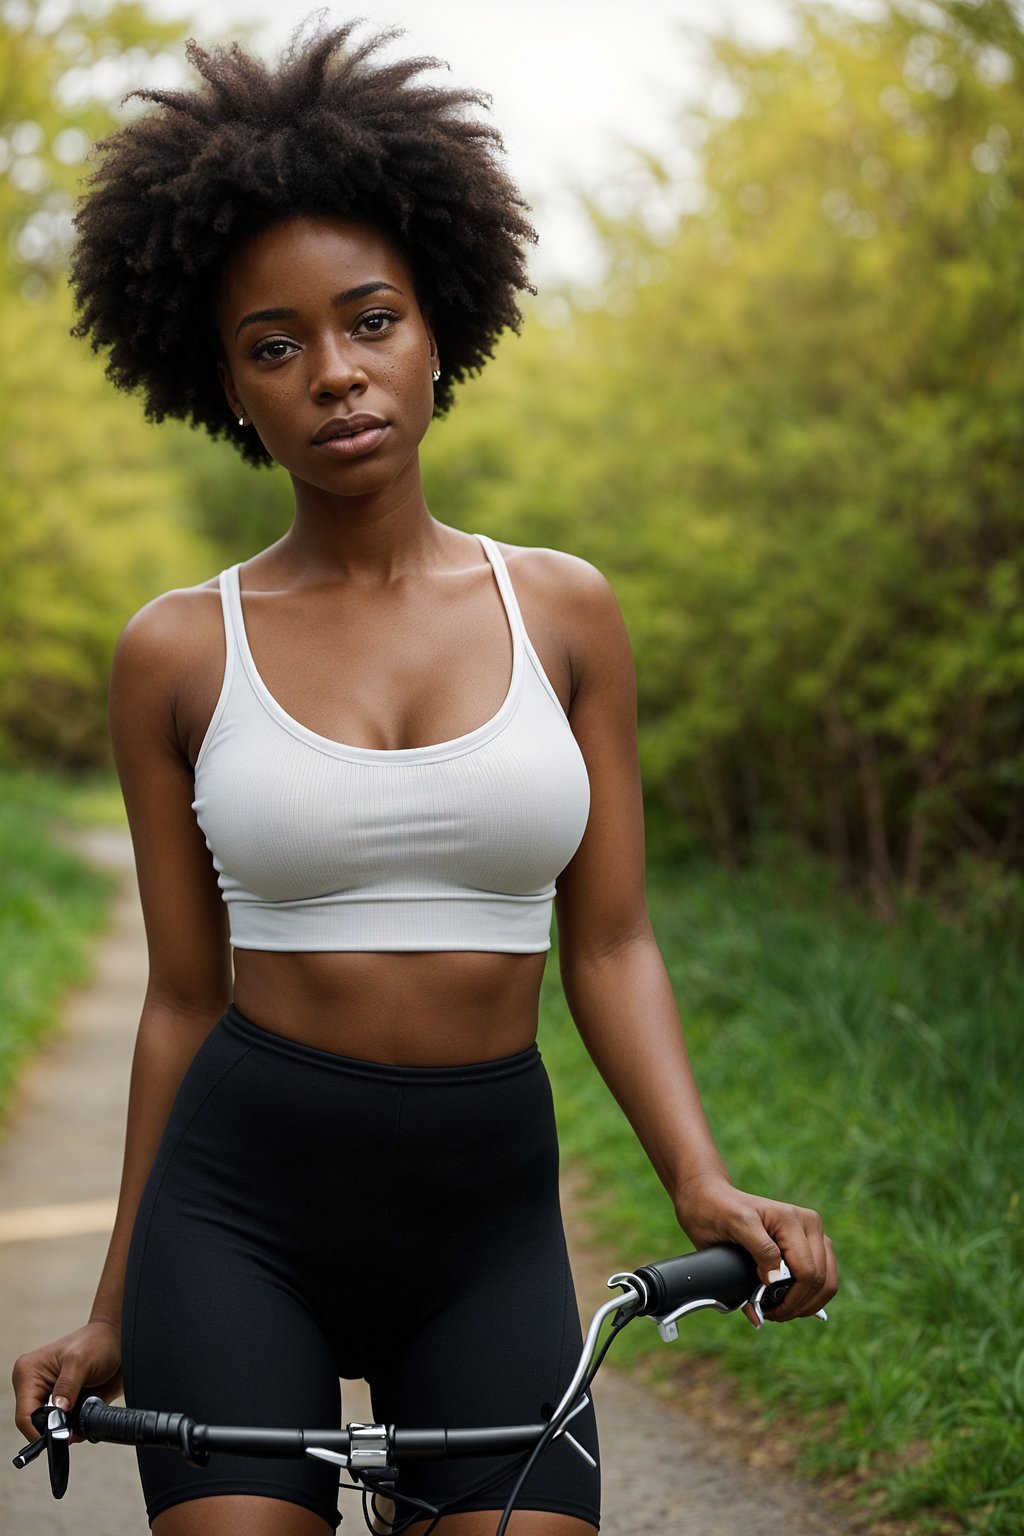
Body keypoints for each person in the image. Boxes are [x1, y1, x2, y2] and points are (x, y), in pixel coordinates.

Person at [12, 20, 837, 1536]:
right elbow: (183, 999)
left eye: (369, 319)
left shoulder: (567, 612)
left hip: (487, 1216)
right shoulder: (178, 652)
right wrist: (115, 1298)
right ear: (224, 384)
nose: (334, 373)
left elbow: (610, 941)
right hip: (236, 1212)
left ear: (437, 323)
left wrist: (702, 1185)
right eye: (276, 346)